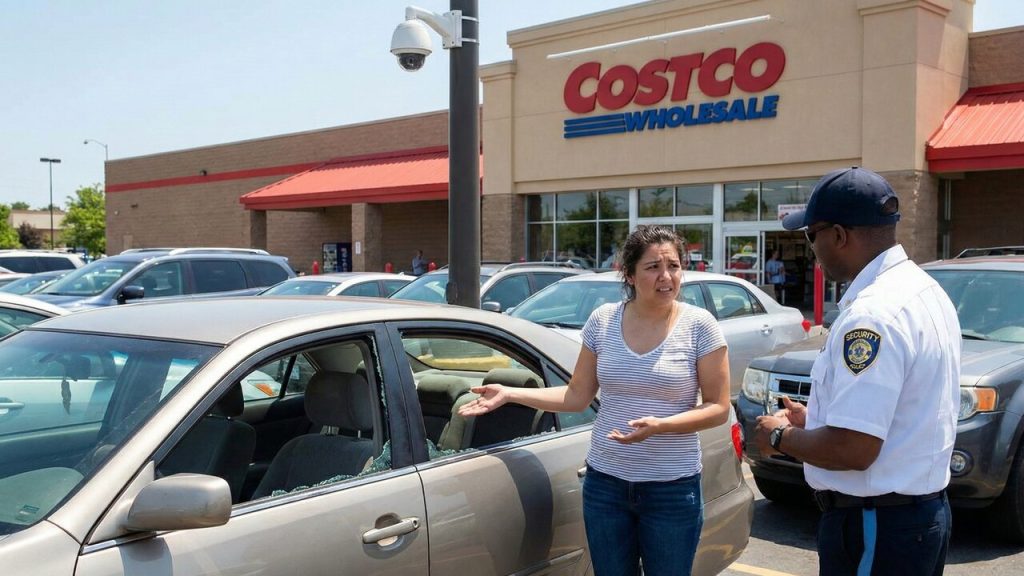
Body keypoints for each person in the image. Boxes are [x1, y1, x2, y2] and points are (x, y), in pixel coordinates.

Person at [459, 225, 731, 575]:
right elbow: (576, 395)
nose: (666, 277)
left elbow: (718, 408)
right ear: (629, 274)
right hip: (606, 486)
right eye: (653, 267)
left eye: (674, 266)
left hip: (671, 489)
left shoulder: (700, 325)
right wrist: (510, 393)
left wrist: (660, 426)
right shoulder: (603, 320)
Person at [753, 167, 961, 576]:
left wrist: (779, 436)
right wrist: (816, 420)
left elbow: (855, 450)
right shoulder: (923, 290)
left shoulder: (871, 314)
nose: (812, 248)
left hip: (876, 525)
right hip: (914, 517)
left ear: (839, 236)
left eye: (811, 235)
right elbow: (903, 416)